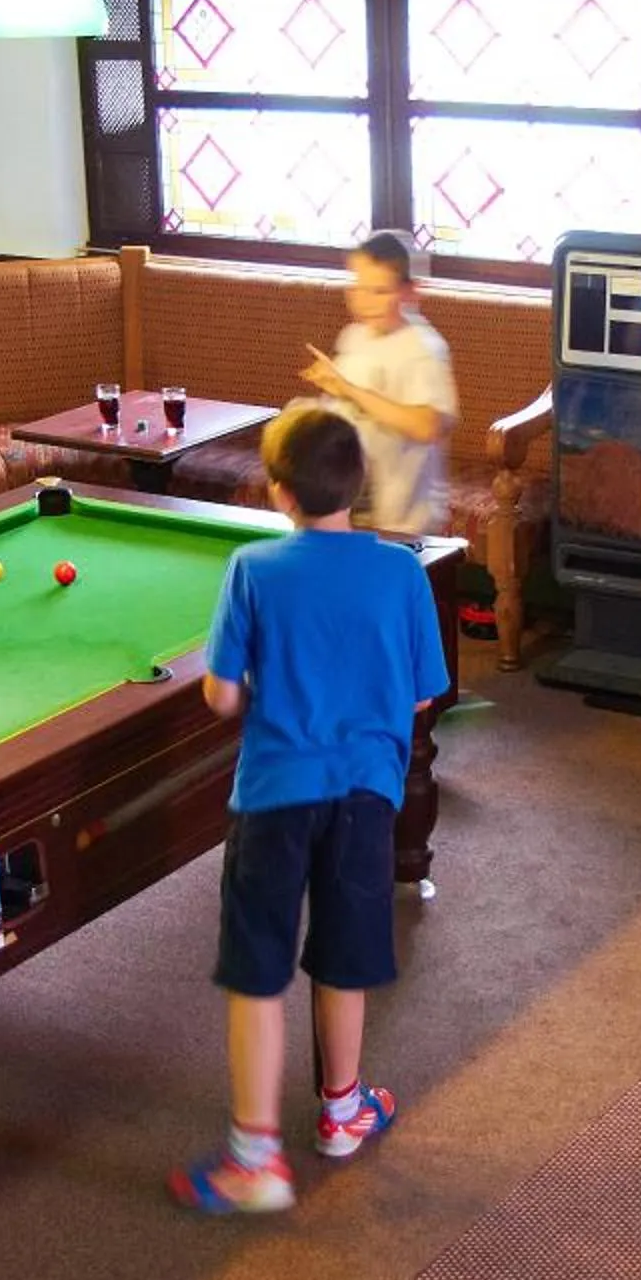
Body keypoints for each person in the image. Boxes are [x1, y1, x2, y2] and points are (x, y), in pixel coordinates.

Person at [170, 407, 453, 1215]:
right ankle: (341, 1113)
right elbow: (425, 690)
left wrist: (262, 678)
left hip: (274, 798)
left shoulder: (252, 569)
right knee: (343, 956)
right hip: (366, 798)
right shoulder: (401, 573)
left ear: (278, 492)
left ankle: (255, 1157)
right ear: (357, 488)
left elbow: (222, 697)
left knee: (258, 972)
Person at [298, 230, 459, 536]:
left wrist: (349, 390)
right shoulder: (355, 335)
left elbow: (427, 425)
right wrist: (332, 395)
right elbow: (351, 407)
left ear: (411, 292)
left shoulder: (422, 349)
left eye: (380, 291)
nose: (365, 301)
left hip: (401, 520)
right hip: (350, 505)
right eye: (358, 288)